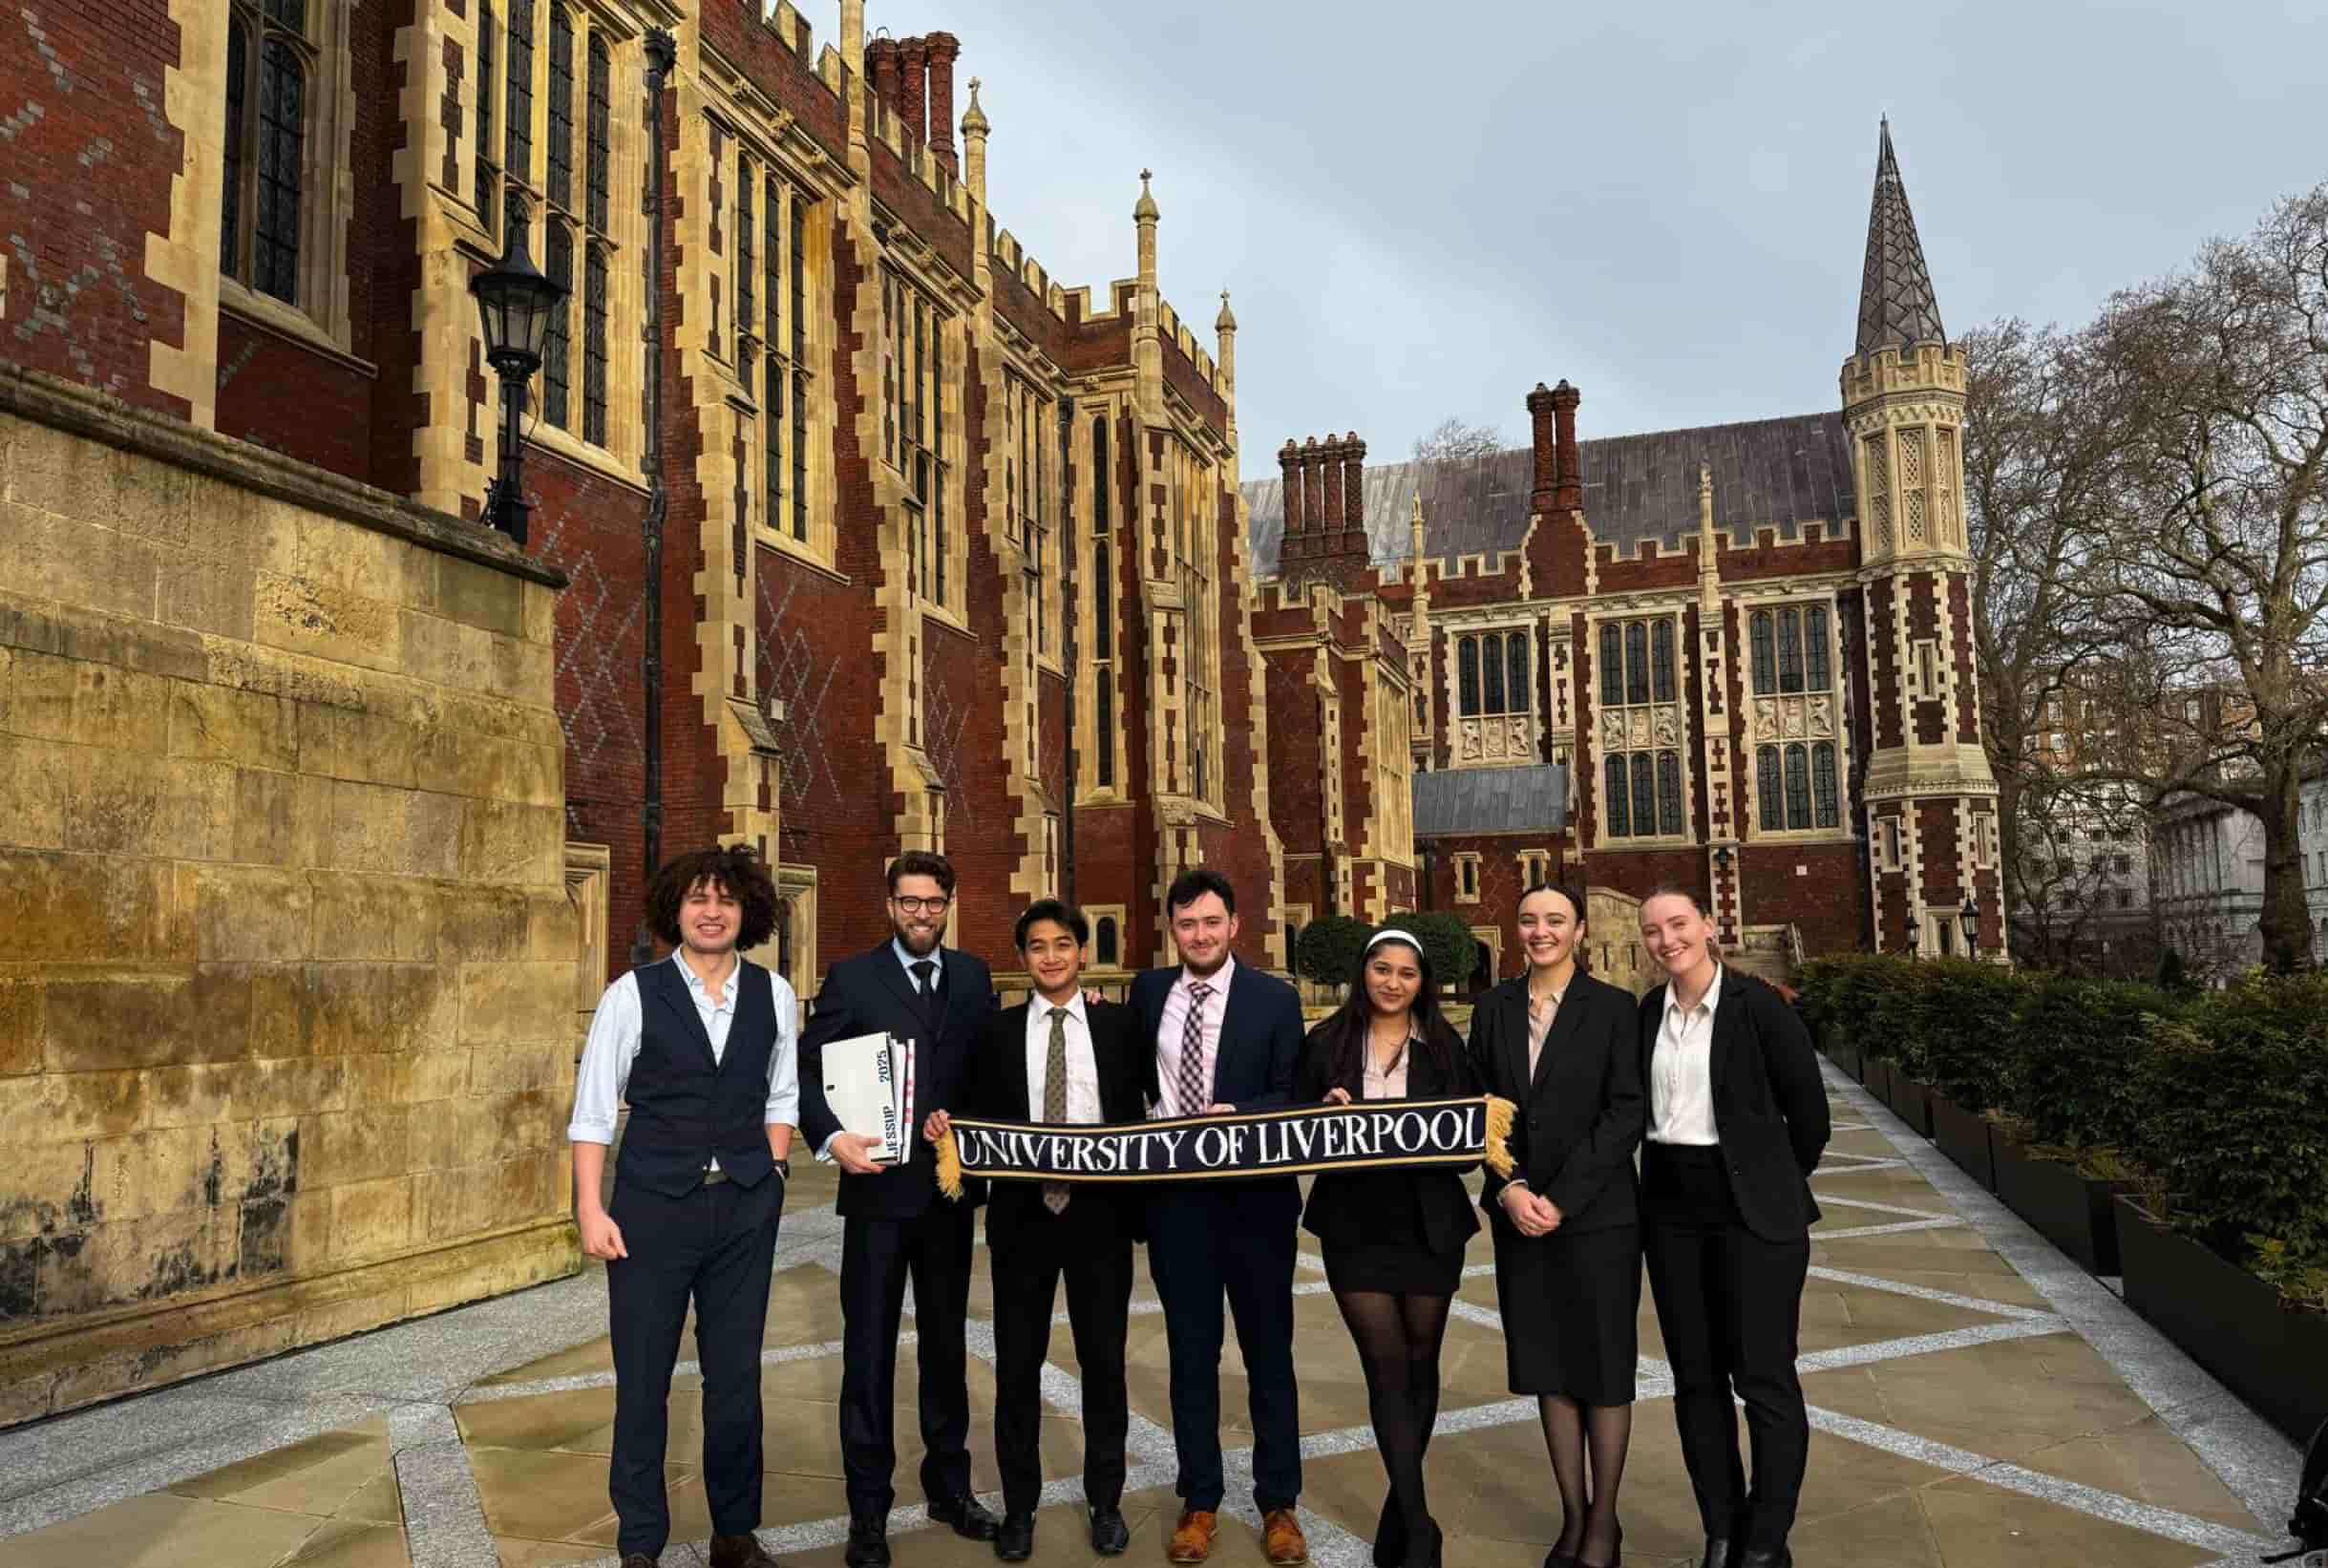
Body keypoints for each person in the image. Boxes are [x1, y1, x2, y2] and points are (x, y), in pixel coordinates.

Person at [568, 845, 798, 1568]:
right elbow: (594, 1111)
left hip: (742, 1209)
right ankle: (641, 1544)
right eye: (698, 899)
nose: (711, 911)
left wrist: (775, 1173)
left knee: (737, 1380)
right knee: (643, 1383)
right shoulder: (631, 995)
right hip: (650, 1213)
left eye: (725, 899)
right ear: (676, 909)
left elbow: (782, 1093)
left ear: (747, 912)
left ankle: (735, 1532)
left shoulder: (776, 994)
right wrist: (589, 1209)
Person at [923, 900, 1145, 1560]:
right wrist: (946, 1129)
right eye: (1037, 947)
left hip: (1099, 1218)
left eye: (1062, 944)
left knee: (1104, 1364)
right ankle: (1021, 1507)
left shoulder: (1118, 1027)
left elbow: (1146, 1110)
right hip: (1022, 1222)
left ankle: (1105, 1501)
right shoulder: (996, 1033)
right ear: (1023, 959)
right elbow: (968, 1113)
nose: (1051, 956)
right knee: (1017, 1369)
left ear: (1083, 952)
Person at [798, 851, 1001, 1568]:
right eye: (910, 902)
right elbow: (808, 1070)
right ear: (890, 905)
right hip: (878, 1196)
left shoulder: (974, 977)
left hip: (948, 1198)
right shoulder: (853, 978)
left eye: (933, 903)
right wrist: (830, 1139)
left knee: (947, 1352)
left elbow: (992, 1070)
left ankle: (950, 1488)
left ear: (949, 905)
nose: (921, 914)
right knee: (869, 1356)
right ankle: (869, 1513)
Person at [1636, 886, 1830, 1568]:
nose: (1668, 940)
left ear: (1708, 926)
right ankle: (1722, 1528)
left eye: (1679, 924)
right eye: (1654, 930)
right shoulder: (1644, 1015)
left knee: (1765, 1381)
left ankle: (1765, 1542)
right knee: (1696, 1382)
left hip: (1753, 1214)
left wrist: (1766, 1176)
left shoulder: (1758, 1009)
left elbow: (1811, 1119)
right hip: (1671, 1214)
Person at [1130, 868, 1309, 1566]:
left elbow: (1288, 1092)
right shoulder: (1147, 993)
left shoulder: (1274, 998)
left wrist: (1246, 1116)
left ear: (1234, 925)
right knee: (1191, 1357)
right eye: (1185, 924)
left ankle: (1279, 1504)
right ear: (1170, 929)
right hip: (1179, 1208)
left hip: (1257, 1206)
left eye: (1210, 922)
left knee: (1269, 1357)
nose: (1199, 935)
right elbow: (1126, 1074)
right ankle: (1200, 1499)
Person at [1469, 883, 1645, 1568]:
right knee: (1547, 1365)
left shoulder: (1612, 1009)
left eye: (1555, 921)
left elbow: (1625, 1111)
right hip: (1520, 1216)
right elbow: (1480, 1110)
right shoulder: (1493, 1008)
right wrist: (1509, 1189)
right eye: (1530, 920)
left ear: (1578, 930)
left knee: (1601, 1367)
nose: (1540, 931)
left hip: (1598, 1217)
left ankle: (1605, 1522)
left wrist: (1563, 1198)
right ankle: (1572, 1515)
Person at [1296, 928, 1480, 1568]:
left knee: (1422, 1364)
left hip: (1430, 1222)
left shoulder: (1446, 1045)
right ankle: (1419, 1526)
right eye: (1382, 969)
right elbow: (1296, 1130)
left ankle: (1400, 1507)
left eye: (1407, 973)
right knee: (1385, 1366)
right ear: (1363, 974)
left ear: (1422, 981)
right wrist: (1322, 1111)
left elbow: (1468, 1146)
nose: (1393, 982)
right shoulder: (1326, 1043)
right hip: (1355, 1223)